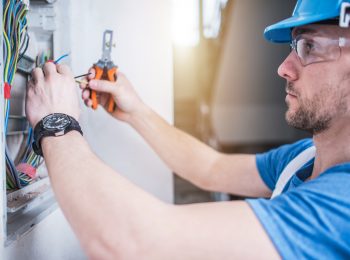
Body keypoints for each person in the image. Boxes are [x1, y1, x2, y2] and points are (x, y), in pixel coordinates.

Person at [25, 0, 350, 259]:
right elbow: (211, 168)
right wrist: (136, 111)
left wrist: (56, 124)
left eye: (309, 47)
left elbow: (131, 242)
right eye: (293, 46)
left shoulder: (342, 206)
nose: (283, 67)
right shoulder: (304, 158)